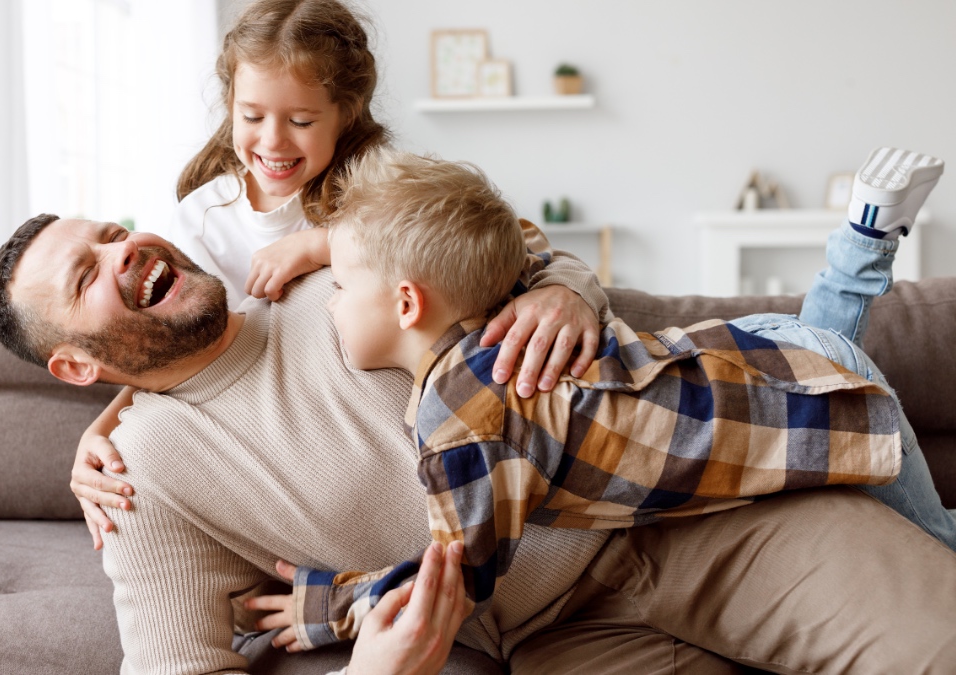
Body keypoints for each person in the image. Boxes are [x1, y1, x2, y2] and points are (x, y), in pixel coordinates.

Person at [0, 213, 956, 672]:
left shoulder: (339, 273)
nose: (125, 252)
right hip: (559, 642)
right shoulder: (139, 476)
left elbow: (520, 241)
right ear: (75, 367)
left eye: (113, 231)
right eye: (88, 276)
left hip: (689, 510)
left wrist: (565, 286)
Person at [235, 147, 954, 651]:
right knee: (823, 347)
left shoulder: (463, 421)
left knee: (939, 545)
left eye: (338, 289)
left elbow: (458, 580)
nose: (329, 308)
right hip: (768, 353)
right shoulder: (497, 322)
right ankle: (865, 231)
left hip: (799, 395)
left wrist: (338, 605)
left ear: (404, 301)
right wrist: (321, 245)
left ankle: (866, 239)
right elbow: (500, 236)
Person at [72, 0, 608, 551]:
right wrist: (101, 429)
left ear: (346, 113)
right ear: (229, 104)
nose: (273, 142)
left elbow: (509, 245)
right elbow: (169, 353)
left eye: (301, 121)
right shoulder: (201, 220)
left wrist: (323, 243)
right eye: (252, 116)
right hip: (285, 446)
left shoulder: (378, 189)